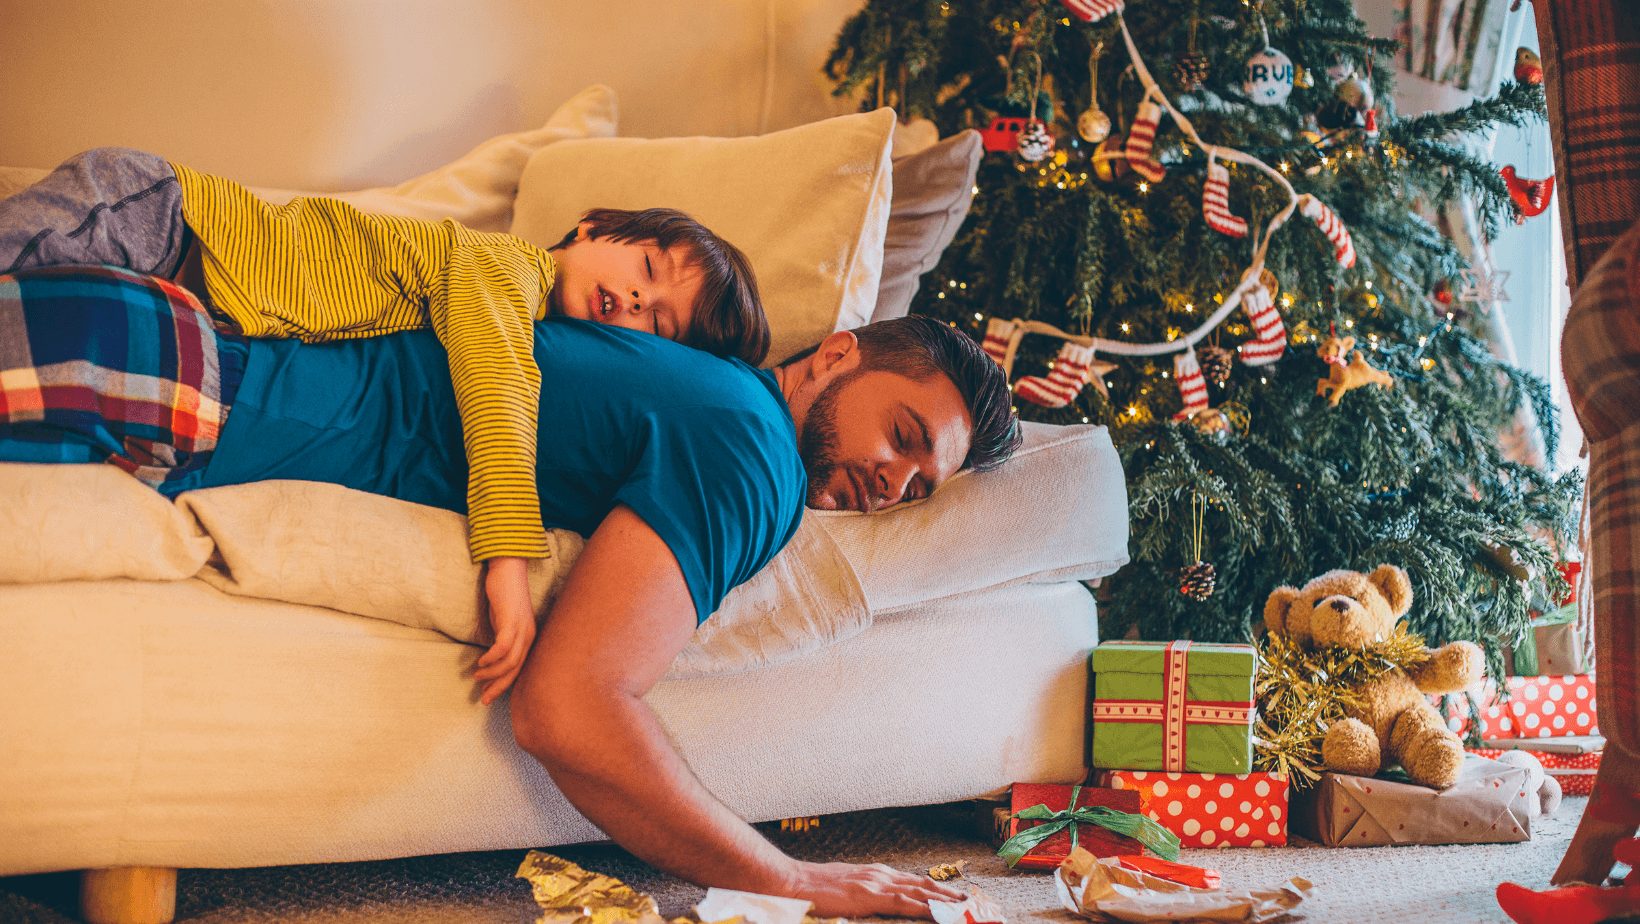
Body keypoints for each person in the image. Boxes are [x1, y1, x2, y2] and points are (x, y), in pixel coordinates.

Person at [0, 265, 1020, 917]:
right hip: (175, 381)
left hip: (159, 356)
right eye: (899, 436)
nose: (892, 483)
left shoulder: (703, 396)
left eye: (916, 485)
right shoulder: (750, 453)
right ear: (836, 355)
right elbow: (570, 707)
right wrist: (788, 875)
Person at [0, 147, 770, 686]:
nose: (638, 302)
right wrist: (508, 558)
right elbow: (496, 385)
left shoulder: (525, 310)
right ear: (593, 226)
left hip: (193, 285)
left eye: (659, 324)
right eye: (646, 270)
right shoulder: (502, 270)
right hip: (167, 215)